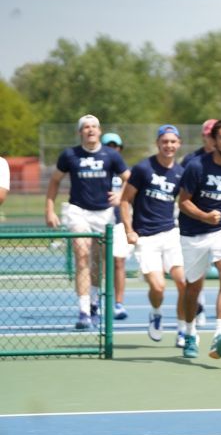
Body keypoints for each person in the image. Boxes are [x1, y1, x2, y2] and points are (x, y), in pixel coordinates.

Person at [45, 115, 130, 329]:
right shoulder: (69, 155)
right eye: (86, 127)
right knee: (82, 255)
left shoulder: (111, 155)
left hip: (104, 214)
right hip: (78, 211)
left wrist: (120, 196)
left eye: (94, 127)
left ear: (99, 131)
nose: (90, 130)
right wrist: (49, 210)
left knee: (98, 263)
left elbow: (130, 178)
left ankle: (93, 304)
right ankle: (83, 312)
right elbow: (55, 181)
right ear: (80, 132)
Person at [177, 119, 221, 359]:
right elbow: (183, 201)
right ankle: (189, 333)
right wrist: (204, 216)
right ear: (214, 141)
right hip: (194, 233)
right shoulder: (196, 166)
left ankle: (220, 334)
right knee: (193, 287)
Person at [120, 125, 189, 346]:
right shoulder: (143, 168)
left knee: (183, 283)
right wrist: (129, 230)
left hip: (170, 234)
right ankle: (156, 313)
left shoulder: (181, 173)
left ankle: (181, 329)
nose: (169, 145)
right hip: (146, 238)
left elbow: (188, 202)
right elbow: (124, 200)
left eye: (173, 142)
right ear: (158, 143)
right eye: (165, 141)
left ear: (178, 144)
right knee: (158, 287)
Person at [180, 118, 218, 325]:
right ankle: (199, 305)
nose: (212, 139)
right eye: (209, 135)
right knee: (196, 271)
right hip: (194, 223)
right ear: (204, 136)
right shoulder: (191, 160)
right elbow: (182, 193)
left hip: (219, 223)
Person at [101, 132, 132, 320]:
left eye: (116, 147)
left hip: (119, 222)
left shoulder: (125, 173)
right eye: (109, 146)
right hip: (99, 221)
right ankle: (97, 301)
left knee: (119, 262)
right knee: (99, 264)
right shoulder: (96, 169)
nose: (113, 150)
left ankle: (118, 303)